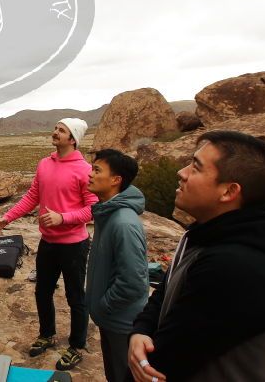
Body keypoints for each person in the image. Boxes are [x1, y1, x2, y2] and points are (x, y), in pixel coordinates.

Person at [128, 130, 265, 382]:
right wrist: (141, 330)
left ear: (229, 192)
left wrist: (139, 356)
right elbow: (167, 288)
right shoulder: (206, 235)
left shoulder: (235, 265)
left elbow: (164, 365)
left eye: (195, 167)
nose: (181, 172)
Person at [0, 118, 97, 371]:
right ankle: (47, 334)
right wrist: (8, 216)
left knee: (75, 297)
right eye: (55, 128)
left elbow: (93, 208)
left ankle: (76, 345)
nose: (55, 132)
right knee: (42, 291)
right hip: (48, 242)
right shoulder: (44, 164)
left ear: (72, 139)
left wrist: (64, 218)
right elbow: (32, 196)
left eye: (61, 130)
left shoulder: (84, 169)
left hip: (74, 244)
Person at [84, 149, 148, 382]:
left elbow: (133, 282)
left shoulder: (123, 223)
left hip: (121, 323)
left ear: (116, 180)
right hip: (111, 319)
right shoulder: (107, 212)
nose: (90, 174)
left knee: (123, 376)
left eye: (97, 170)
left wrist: (103, 305)